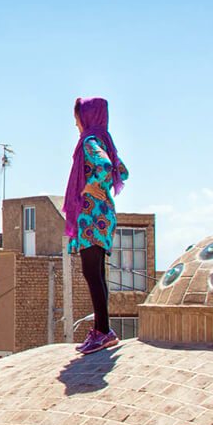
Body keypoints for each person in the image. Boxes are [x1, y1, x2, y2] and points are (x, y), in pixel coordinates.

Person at [63, 96, 129, 354]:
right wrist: (101, 183)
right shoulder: (104, 139)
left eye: (78, 119)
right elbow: (122, 172)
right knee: (96, 273)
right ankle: (103, 329)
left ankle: (103, 331)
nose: (76, 125)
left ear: (87, 117)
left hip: (91, 213)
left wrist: (89, 185)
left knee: (92, 273)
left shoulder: (90, 141)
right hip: (103, 212)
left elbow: (107, 166)